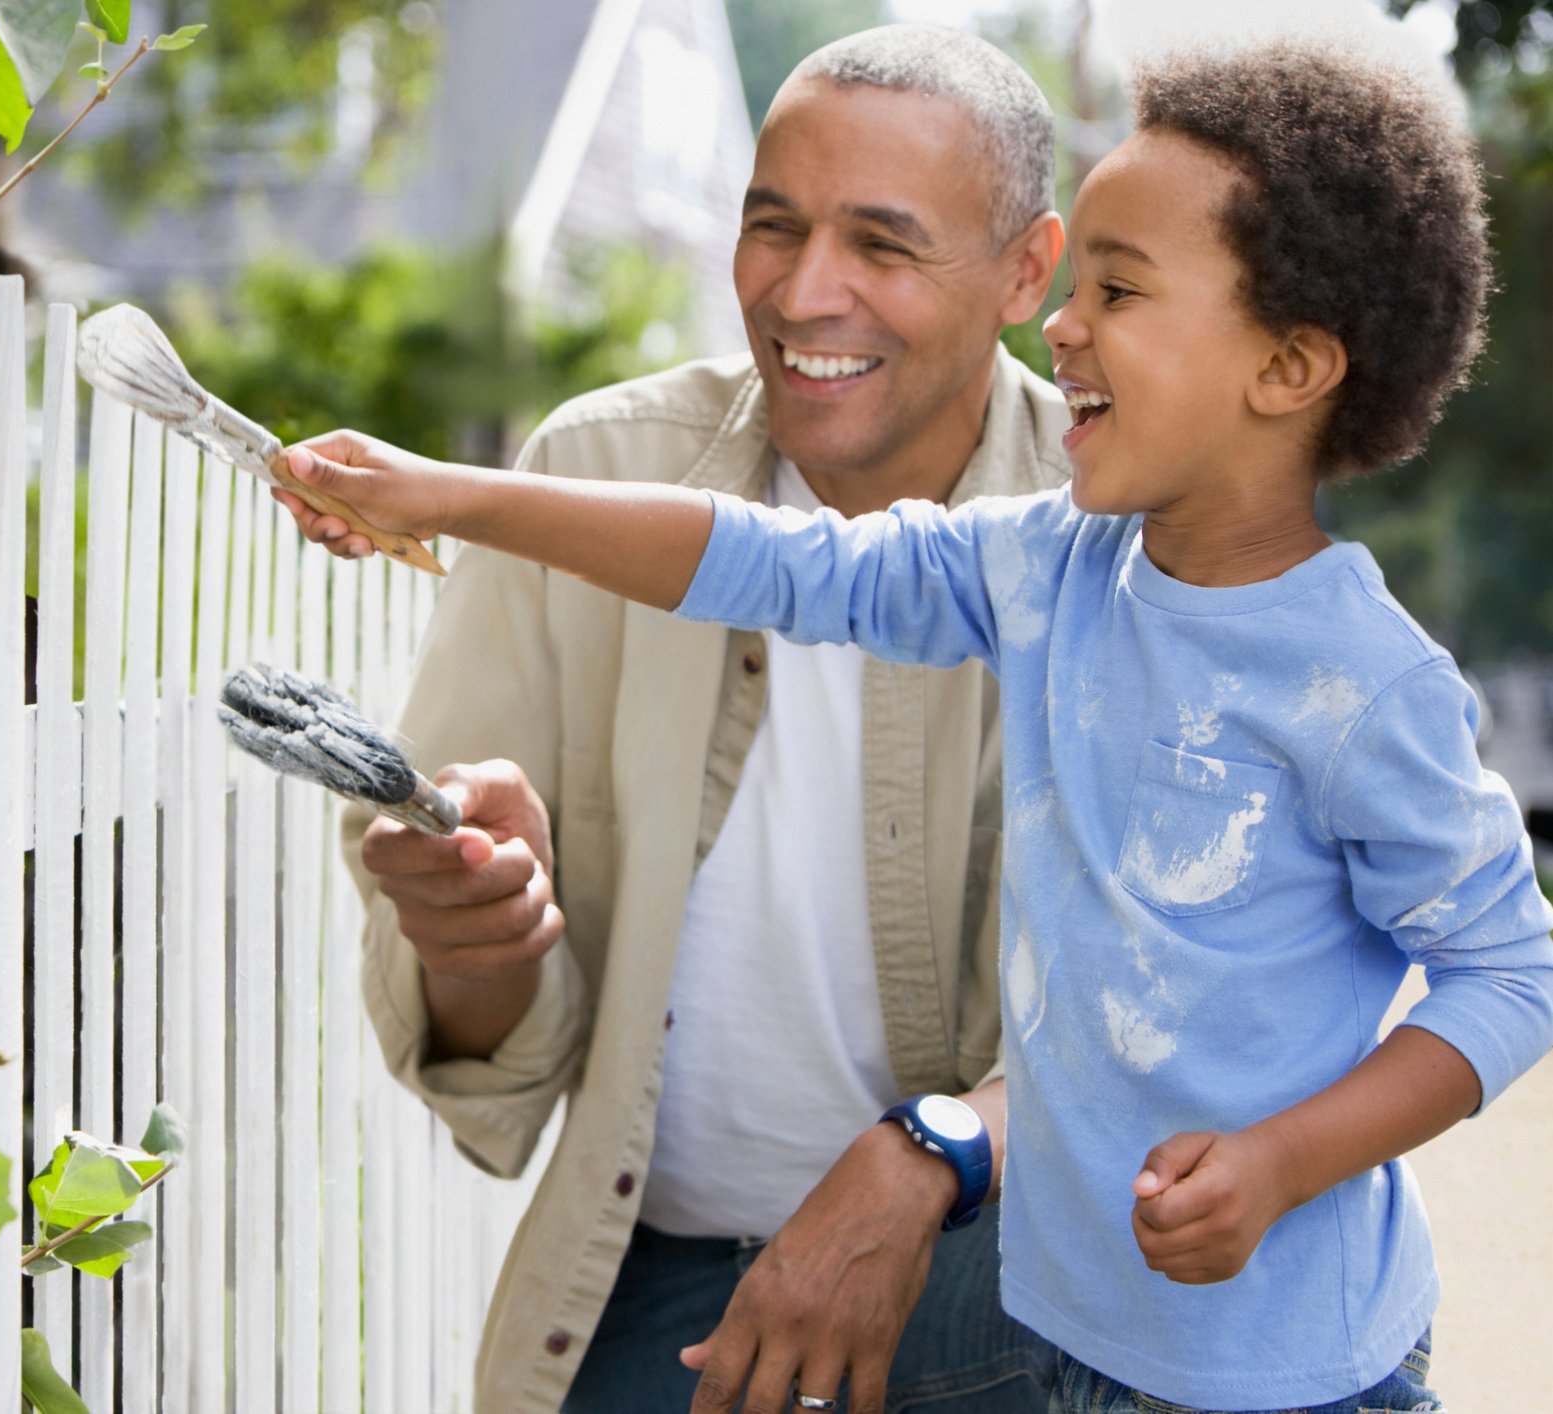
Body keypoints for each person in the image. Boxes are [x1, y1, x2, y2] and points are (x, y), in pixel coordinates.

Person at [281, 35, 1553, 1414]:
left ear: (1290, 367)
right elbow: (771, 561)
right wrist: (450, 498)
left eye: (1115, 291)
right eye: (1077, 290)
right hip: (1067, 1324)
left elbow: (1510, 972)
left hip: (1282, 1365)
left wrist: (1283, 1160)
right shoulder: (1045, 566)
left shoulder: (1365, 684)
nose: (1063, 324)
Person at [318, 24, 1069, 1414]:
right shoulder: (592, 472)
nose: (804, 292)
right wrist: (479, 929)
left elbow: (1191, 1012)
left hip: (997, 1284)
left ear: (1026, 269)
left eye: (882, 247)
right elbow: (490, 1055)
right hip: (669, 1290)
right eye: (770, 227)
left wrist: (928, 1155)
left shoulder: (1116, 536)